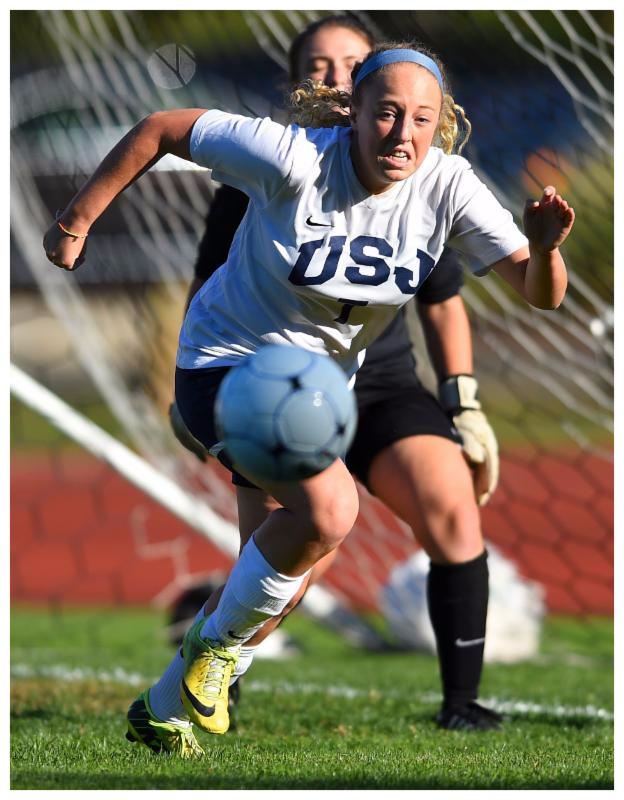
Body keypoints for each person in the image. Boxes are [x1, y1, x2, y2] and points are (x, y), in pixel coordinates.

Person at [43, 40, 574, 759]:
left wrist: (545, 250)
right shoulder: (292, 156)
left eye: (421, 119)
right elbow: (161, 127)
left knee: (294, 556)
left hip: (321, 393)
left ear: (440, 122)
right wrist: (76, 221)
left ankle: (165, 705)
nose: (403, 133)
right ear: (354, 110)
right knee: (331, 511)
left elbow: (540, 294)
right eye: (386, 113)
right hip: (225, 366)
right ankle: (214, 652)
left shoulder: (448, 184)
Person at [169, 14, 503, 740]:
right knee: (298, 549)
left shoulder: (423, 178)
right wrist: (189, 387)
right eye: (320, 67)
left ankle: (463, 703)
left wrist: (463, 402)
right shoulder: (267, 165)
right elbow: (210, 286)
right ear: (308, 88)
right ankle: (195, 687)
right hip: (271, 383)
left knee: (451, 509)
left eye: (352, 64)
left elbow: (443, 300)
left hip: (380, 383)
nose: (337, 77)